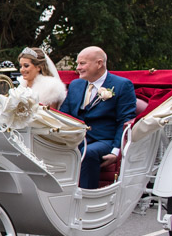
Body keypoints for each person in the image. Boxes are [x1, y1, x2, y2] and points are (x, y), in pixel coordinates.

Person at [58, 47, 137, 189]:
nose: (78, 68)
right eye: (78, 64)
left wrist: (116, 151)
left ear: (99, 63)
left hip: (105, 140)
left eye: (82, 63)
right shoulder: (76, 84)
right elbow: (64, 115)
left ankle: (86, 197)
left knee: (88, 153)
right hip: (77, 138)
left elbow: (125, 120)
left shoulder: (122, 85)